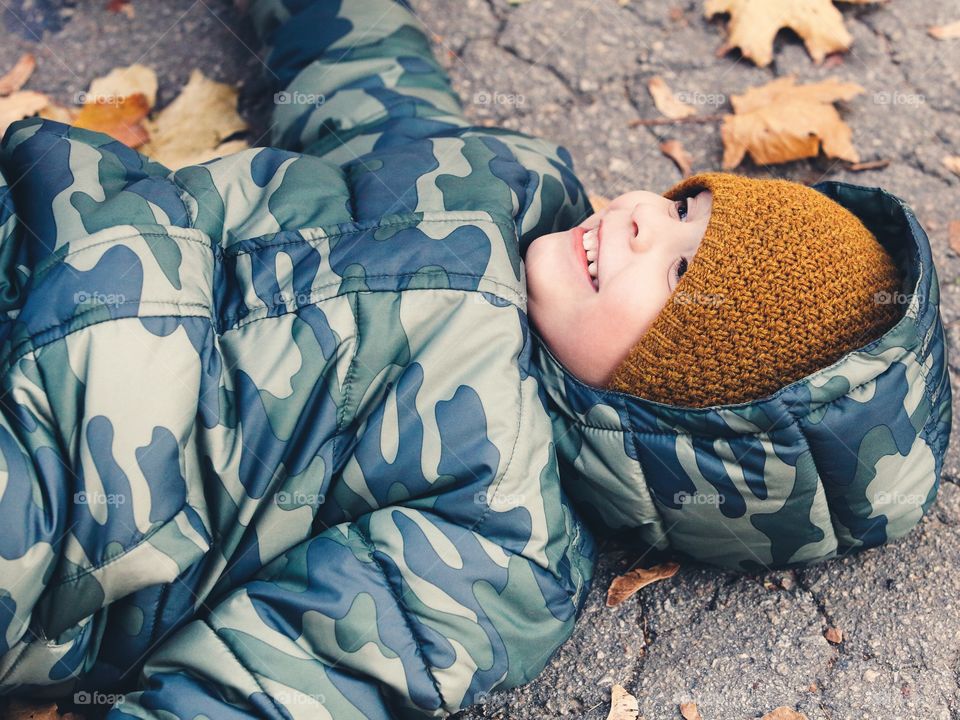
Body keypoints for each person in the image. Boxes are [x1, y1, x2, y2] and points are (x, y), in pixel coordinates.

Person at [0, 0, 949, 718]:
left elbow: (276, 684)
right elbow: (364, 79)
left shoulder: (503, 541)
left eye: (675, 266)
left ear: (677, 405)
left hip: (56, 491)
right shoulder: (500, 181)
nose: (637, 217)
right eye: (680, 204)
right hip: (44, 234)